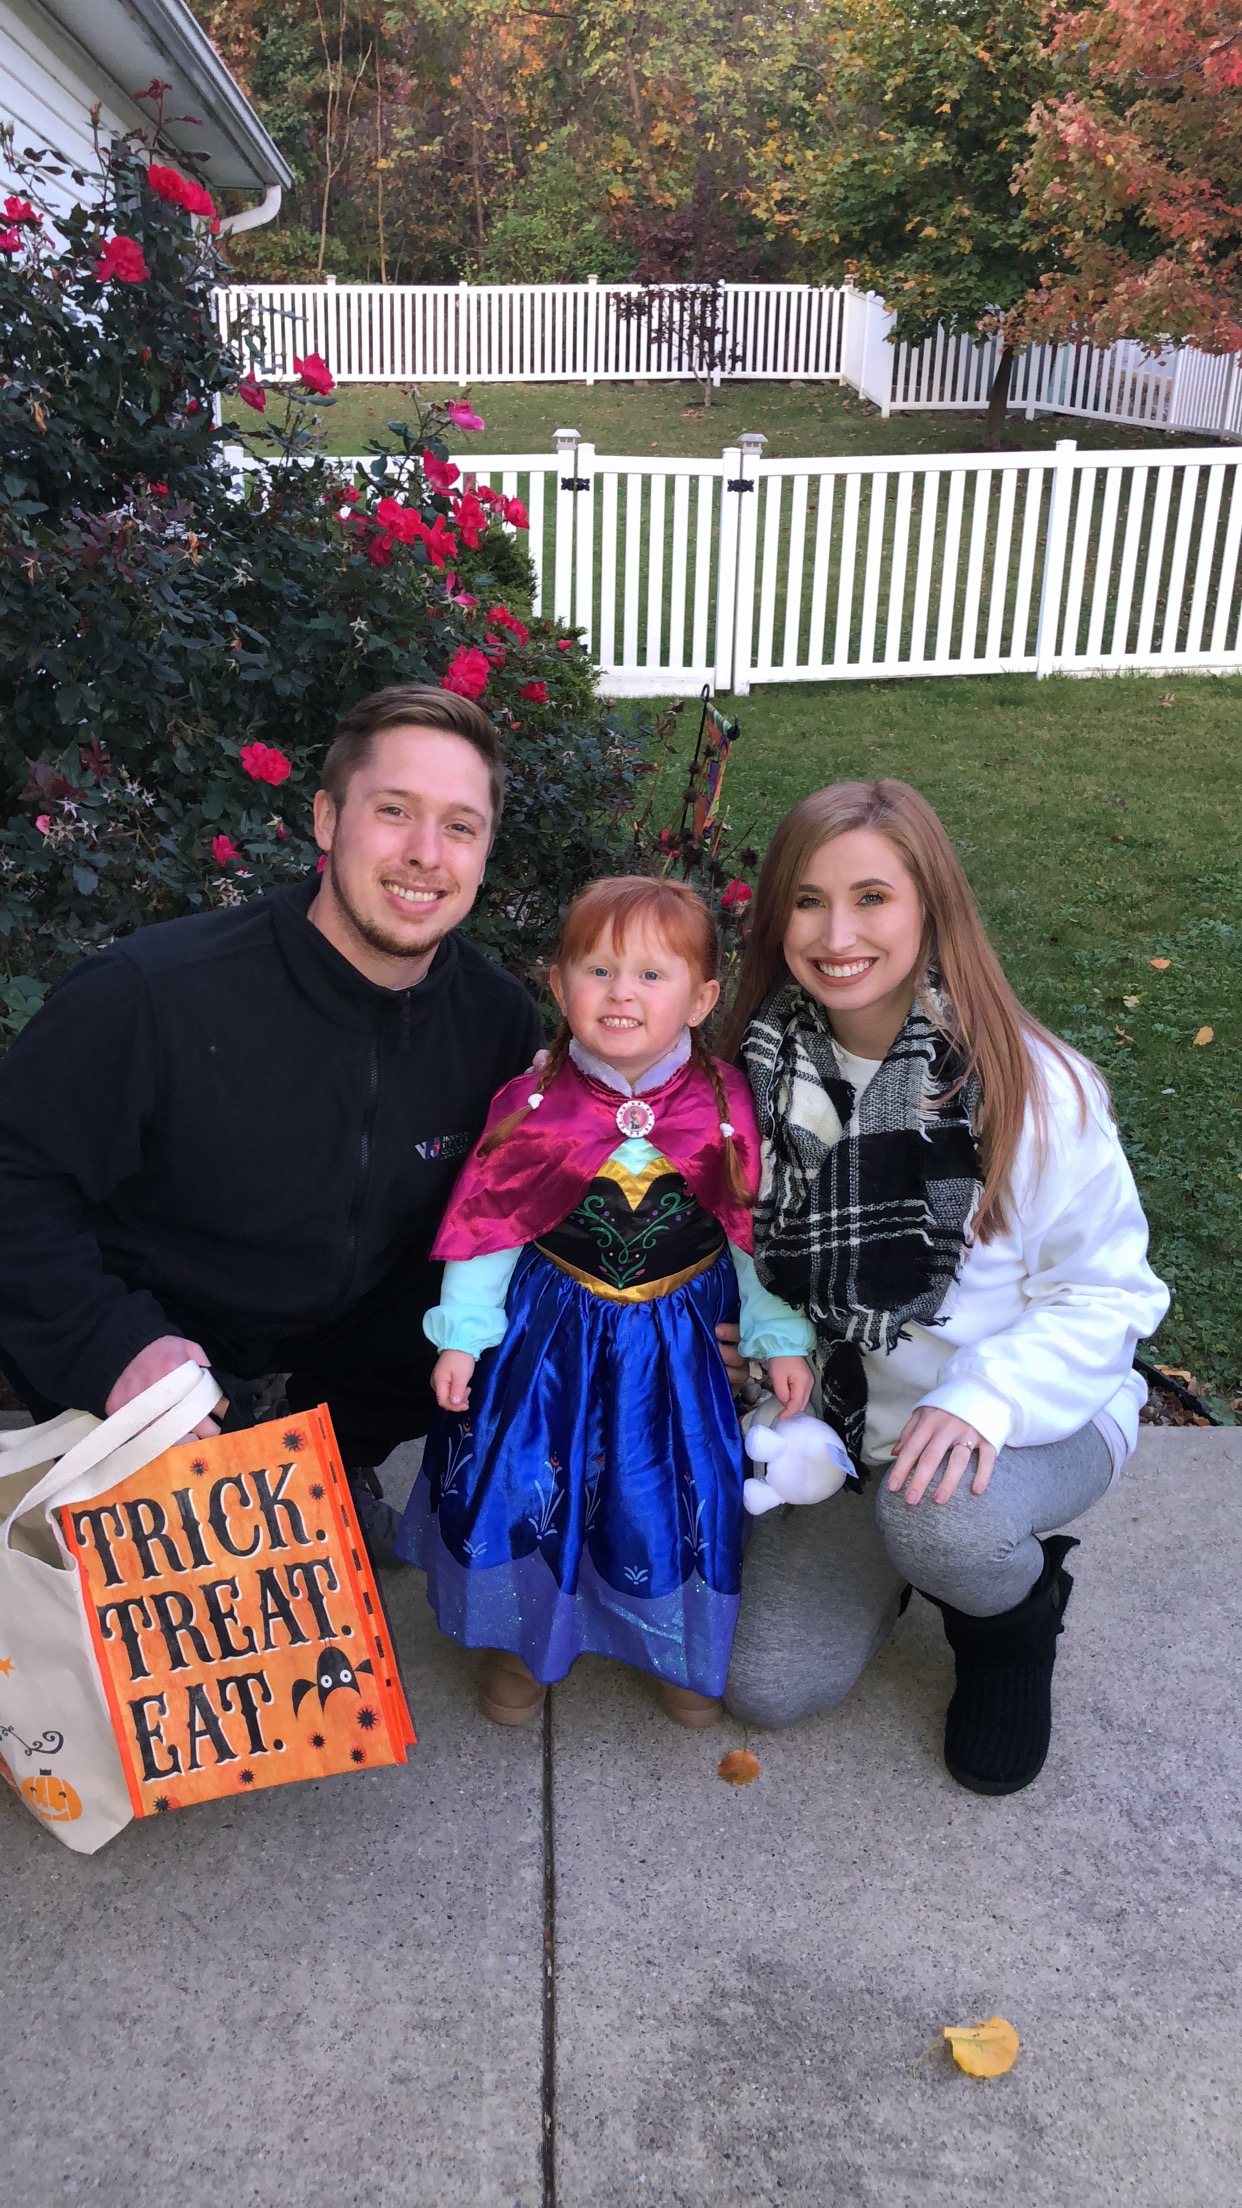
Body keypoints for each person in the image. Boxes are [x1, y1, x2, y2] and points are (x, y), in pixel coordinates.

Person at [0, 687, 544, 1561]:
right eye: (394, 811)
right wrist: (110, 1347)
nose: (424, 853)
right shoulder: (152, 993)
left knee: (524, 1274)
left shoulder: (496, 1022)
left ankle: (329, 1458)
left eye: (460, 826)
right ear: (327, 820)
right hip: (159, 1356)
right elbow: (14, 1177)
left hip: (348, 1356)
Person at [719, 780, 1169, 1794]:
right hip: (841, 1430)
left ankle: (1009, 1625)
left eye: (872, 898)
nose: (837, 934)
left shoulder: (1032, 1086)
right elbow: (736, 1245)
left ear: (933, 908)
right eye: (808, 900)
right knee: (768, 1685)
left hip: (1032, 1415)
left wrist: (984, 1397)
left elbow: (1110, 1295)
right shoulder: (753, 1071)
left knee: (943, 1520)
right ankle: (893, 1557)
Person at [398, 876, 816, 1728]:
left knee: (666, 1498)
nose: (622, 993)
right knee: (531, 1487)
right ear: (560, 987)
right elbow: (489, 1228)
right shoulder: (532, 1107)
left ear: (701, 999)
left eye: (652, 975)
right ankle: (522, 1645)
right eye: (598, 971)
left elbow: (752, 1236)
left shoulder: (726, 1107)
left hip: (676, 1347)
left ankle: (674, 1646)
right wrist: (463, 1335)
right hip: (550, 1342)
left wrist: (777, 1334)